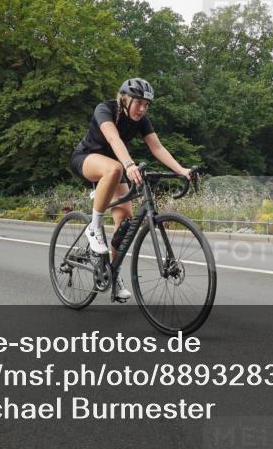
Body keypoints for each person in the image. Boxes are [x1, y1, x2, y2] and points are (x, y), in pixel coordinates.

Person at [69, 78, 193, 301]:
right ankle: (94, 227)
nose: (143, 109)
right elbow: (113, 139)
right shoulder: (105, 109)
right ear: (124, 99)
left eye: (147, 105)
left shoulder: (141, 119)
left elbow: (157, 147)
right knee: (115, 168)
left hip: (113, 168)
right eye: (138, 103)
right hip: (86, 159)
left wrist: (181, 169)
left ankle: (112, 274)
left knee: (125, 222)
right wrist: (128, 165)